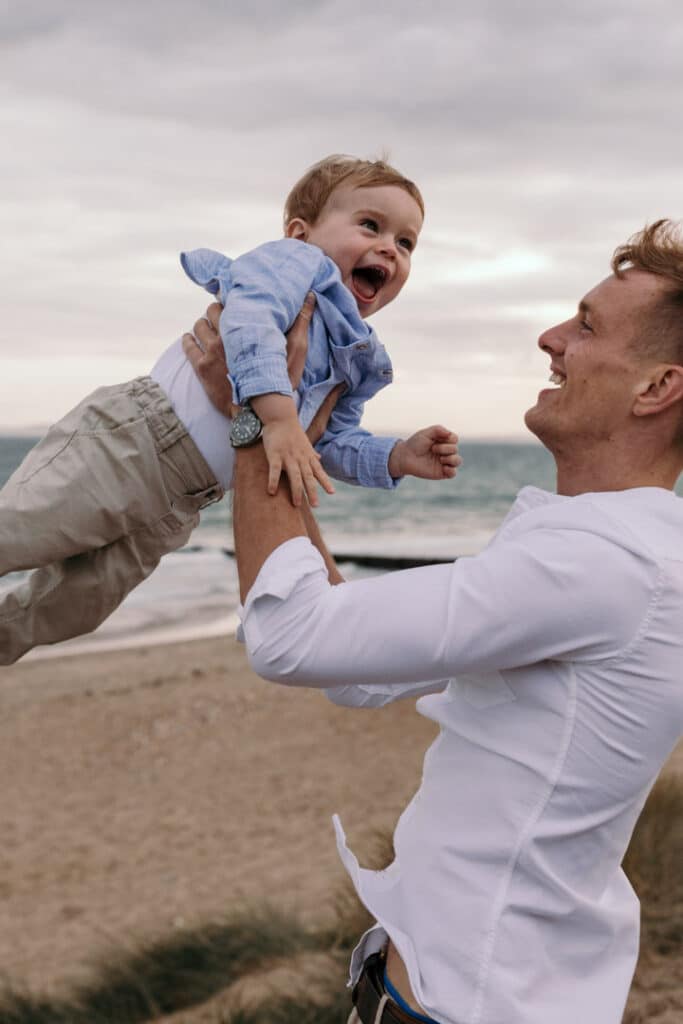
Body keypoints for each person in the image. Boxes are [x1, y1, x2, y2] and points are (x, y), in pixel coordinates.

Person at [187, 219, 683, 1024]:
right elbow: (355, 669)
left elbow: (287, 637)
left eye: (586, 325)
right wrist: (300, 437)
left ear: (656, 388)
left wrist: (253, 412)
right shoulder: (612, 553)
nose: (550, 337)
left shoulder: (603, 564)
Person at [0, 155, 459, 665]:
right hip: (135, 444)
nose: (387, 248)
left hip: (181, 501)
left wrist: (394, 456)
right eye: (371, 225)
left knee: (72, 607)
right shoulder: (294, 268)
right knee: (21, 530)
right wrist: (280, 417)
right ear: (300, 234)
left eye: (406, 242)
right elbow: (249, 323)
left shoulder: (359, 356)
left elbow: (322, 444)